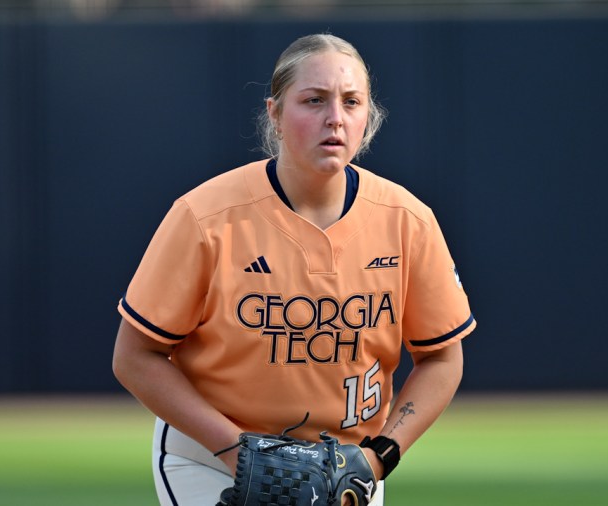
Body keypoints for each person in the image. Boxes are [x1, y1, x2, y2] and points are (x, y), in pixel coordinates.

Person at [112, 33, 476, 506]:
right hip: (212, 456)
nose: (335, 119)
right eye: (313, 101)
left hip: (346, 468)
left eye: (351, 102)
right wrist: (233, 450)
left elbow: (442, 358)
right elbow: (135, 356)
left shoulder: (407, 220)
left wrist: (379, 456)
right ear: (275, 114)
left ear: (369, 118)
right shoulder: (204, 217)